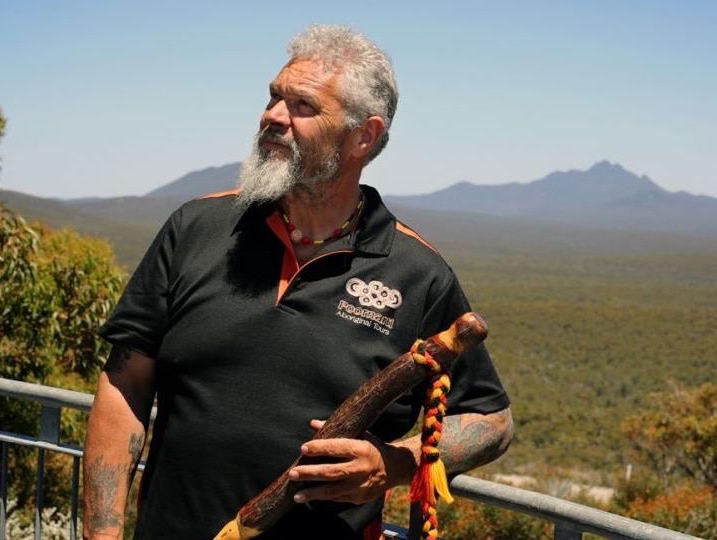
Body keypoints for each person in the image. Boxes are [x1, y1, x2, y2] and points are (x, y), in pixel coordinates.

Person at [82, 24, 513, 540]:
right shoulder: (196, 228)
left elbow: (491, 420)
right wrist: (100, 535)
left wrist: (394, 464)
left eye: (302, 106)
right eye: (273, 97)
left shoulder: (417, 273)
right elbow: (125, 385)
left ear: (364, 136)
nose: (273, 116)